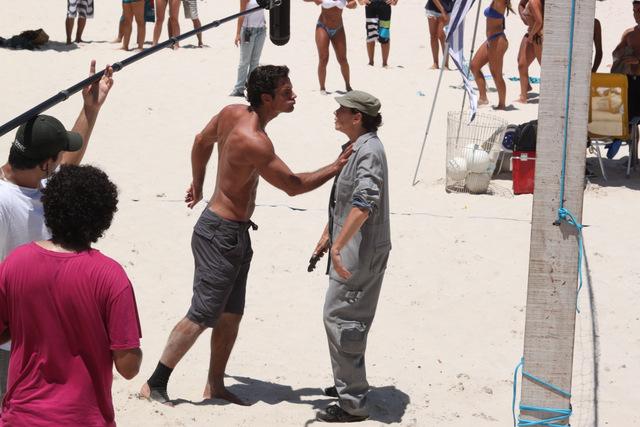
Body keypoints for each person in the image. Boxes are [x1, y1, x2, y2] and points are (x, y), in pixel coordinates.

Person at [139, 65, 353, 406]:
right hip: (219, 234)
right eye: (286, 93)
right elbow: (293, 187)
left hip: (234, 233)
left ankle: (215, 384)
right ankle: (155, 383)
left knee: (231, 314)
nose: (294, 95)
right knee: (201, 314)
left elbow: (200, 142)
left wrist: (198, 183)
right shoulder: (256, 142)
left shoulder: (231, 113)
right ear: (267, 99)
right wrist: (336, 165)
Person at [0, 60, 114, 400]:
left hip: (37, 337)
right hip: (8, 341)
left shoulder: (44, 185)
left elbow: (68, 162)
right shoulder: (4, 201)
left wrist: (90, 109)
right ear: (45, 162)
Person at [0, 165, 142, 425]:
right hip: (82, 418)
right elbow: (128, 367)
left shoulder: (14, 264)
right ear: (103, 215)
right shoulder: (111, 277)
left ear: (50, 207)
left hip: (21, 417)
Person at [311, 90, 390, 423]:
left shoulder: (368, 152)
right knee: (344, 316)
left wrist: (340, 245)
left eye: (341, 110)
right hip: (353, 248)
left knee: (342, 318)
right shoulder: (356, 148)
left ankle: (353, 403)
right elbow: (345, 202)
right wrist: (327, 236)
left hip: (359, 253)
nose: (336, 114)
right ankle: (349, 383)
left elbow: (363, 205)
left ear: (357, 117)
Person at [304, 0, 357, 94]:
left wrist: (352, 5)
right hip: (323, 26)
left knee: (343, 59)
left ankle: (348, 86)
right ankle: (322, 88)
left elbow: (354, 4)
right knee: (323, 58)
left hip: (338, 28)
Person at [470, 0, 513, 109]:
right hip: (490, 40)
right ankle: (483, 97)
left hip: (498, 40)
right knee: (474, 66)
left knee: (496, 74)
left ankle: (502, 104)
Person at [230, 0, 267, 97]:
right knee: (244, 61)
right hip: (248, 31)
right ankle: (238, 89)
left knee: (255, 61)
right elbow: (241, 14)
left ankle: (251, 86)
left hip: (261, 30)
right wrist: (238, 34)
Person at [612, 0, 640, 120]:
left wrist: (638, 59)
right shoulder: (629, 34)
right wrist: (623, 53)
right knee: (630, 122)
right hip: (631, 82)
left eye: (639, 11)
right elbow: (615, 55)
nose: (636, 15)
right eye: (634, 11)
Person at [359, 0, 399, 68]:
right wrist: (360, 1)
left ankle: (385, 63)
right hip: (370, 5)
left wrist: (395, 1)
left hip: (385, 5)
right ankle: (371, 62)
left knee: (384, 34)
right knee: (370, 34)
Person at [425, 0, 453, 70]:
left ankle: (446, 64)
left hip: (447, 9)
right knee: (433, 36)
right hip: (432, 8)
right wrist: (442, 9)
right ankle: (435, 63)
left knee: (442, 37)